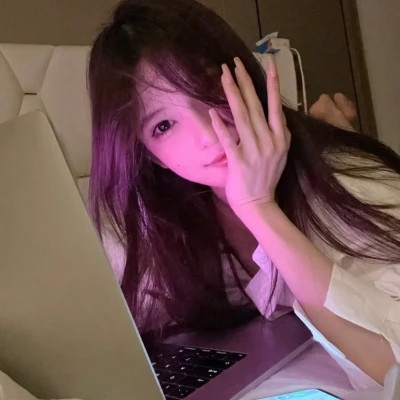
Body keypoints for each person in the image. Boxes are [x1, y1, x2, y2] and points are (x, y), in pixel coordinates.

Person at [87, 0, 400, 394]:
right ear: (150, 156)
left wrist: (259, 208)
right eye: (163, 125)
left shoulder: (347, 182)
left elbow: (391, 366)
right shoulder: (163, 215)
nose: (209, 133)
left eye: (208, 89)